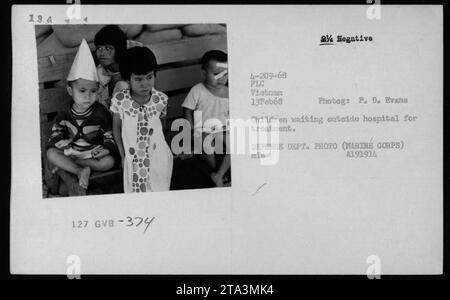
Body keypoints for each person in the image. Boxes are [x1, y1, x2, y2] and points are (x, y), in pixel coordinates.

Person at [46, 39, 116, 195]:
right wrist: (62, 144)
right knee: (51, 153)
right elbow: (55, 134)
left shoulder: (100, 113)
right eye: (82, 91)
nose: (88, 96)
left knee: (109, 162)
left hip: (92, 154)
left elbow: (109, 136)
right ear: (70, 91)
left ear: (98, 91)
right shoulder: (64, 113)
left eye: (93, 91)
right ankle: (79, 170)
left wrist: (106, 149)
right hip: (71, 150)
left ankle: (76, 165)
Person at [110, 46, 173, 193]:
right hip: (133, 159)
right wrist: (122, 155)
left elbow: (161, 126)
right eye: (138, 79)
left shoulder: (161, 99)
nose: (145, 84)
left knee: (159, 192)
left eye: (149, 77)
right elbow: (116, 129)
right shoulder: (120, 100)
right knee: (137, 195)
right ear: (127, 79)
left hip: (158, 156)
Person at [182, 50, 230, 187]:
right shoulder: (197, 91)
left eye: (225, 74)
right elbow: (187, 111)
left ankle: (220, 174)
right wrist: (190, 131)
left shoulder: (228, 92)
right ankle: (216, 170)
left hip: (223, 128)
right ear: (204, 74)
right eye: (216, 74)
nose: (222, 78)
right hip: (203, 129)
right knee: (207, 145)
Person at [94, 25, 128, 110]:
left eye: (108, 48)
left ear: (119, 49)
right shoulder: (99, 71)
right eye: (99, 48)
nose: (101, 53)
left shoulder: (129, 67)